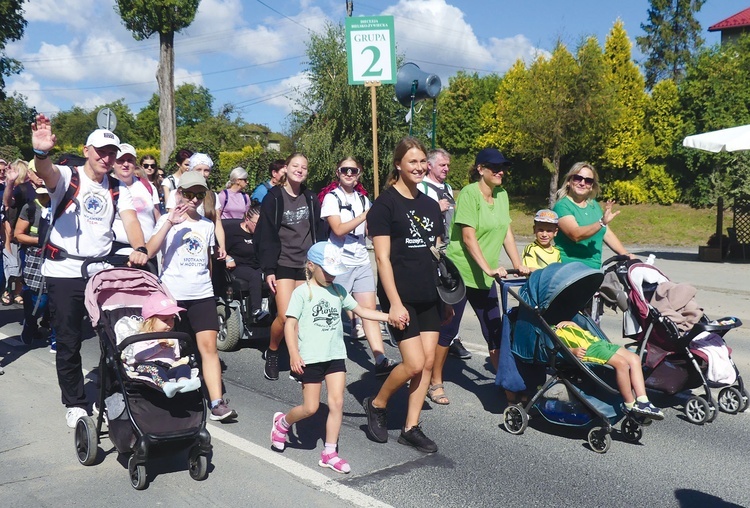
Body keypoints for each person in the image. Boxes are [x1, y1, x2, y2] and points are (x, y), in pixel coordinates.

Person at [30, 115, 149, 428]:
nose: (106, 157)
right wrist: (41, 153)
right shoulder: (69, 176)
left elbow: (131, 221)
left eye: (111, 152)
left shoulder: (116, 188)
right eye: (101, 151)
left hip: (100, 272)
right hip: (64, 271)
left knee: (114, 338)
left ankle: (113, 395)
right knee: (69, 340)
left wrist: (140, 248)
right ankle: (75, 402)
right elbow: (47, 172)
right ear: (87, 150)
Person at [270, 242, 400, 473]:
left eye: (335, 272)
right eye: (327, 271)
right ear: (311, 266)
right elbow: (290, 325)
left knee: (337, 402)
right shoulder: (302, 292)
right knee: (310, 408)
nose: (332, 276)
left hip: (335, 355)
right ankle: (282, 424)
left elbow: (360, 311)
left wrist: (387, 316)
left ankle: (330, 452)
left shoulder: (338, 291)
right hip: (310, 358)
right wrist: (293, 353)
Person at [362, 137, 448, 453]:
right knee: (412, 364)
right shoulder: (384, 205)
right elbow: (382, 258)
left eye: (422, 161)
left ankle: (411, 427)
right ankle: (378, 403)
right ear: (398, 164)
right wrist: (395, 302)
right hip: (401, 295)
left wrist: (445, 298)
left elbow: (435, 254)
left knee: (426, 364)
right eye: (412, 161)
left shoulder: (429, 204)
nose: (419, 167)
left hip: (429, 293)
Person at [429, 148, 530, 405]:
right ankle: (435, 381)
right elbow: (467, 236)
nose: (500, 172)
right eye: (494, 167)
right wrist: (487, 267)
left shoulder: (502, 194)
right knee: (448, 330)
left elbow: (506, 231)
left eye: (502, 167)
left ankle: (507, 384)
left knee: (495, 330)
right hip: (461, 274)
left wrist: (518, 264)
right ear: (480, 169)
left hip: (485, 275)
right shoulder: (469, 194)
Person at [145, 171, 237, 421]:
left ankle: (217, 402)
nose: (194, 200)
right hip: (172, 296)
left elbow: (206, 261)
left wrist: (210, 274)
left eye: (199, 194)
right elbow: (150, 251)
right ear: (178, 193)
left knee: (208, 349)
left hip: (202, 294)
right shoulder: (167, 219)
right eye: (188, 194)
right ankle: (163, 397)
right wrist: (169, 223)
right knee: (168, 349)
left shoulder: (207, 225)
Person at [319, 156, 398, 377]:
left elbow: (369, 230)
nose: (349, 174)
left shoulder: (364, 199)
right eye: (345, 170)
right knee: (332, 312)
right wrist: (364, 216)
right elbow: (338, 229)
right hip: (339, 261)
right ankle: (322, 359)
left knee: (369, 311)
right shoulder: (331, 198)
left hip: (361, 258)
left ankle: (379, 358)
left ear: (359, 173)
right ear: (338, 172)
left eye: (353, 171)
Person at [256, 153, 321, 381]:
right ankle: (273, 352)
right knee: (285, 317)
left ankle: (299, 361)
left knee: (303, 319)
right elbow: (264, 235)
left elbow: (318, 231)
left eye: (304, 167)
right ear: (286, 168)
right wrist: (269, 269)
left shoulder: (312, 198)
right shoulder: (274, 197)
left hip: (305, 265)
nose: (300, 170)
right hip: (281, 263)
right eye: (295, 165)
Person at [418, 148, 471, 361]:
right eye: (442, 165)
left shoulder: (447, 187)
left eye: (448, 165)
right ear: (429, 165)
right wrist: (434, 208)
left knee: (451, 290)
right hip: (430, 247)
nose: (447, 169)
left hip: (449, 246)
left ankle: (452, 338)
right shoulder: (421, 186)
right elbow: (417, 213)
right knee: (437, 294)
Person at [554, 320, 664, 420]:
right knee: (621, 364)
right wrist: (572, 350)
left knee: (634, 359)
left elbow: (582, 333)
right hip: (588, 349)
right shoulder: (553, 330)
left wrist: (573, 324)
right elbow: (554, 347)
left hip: (598, 342)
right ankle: (629, 405)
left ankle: (643, 401)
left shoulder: (567, 321)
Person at [115, 293, 201, 398]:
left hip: (168, 368)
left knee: (184, 367)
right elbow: (138, 356)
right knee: (154, 369)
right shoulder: (144, 336)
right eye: (165, 320)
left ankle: (184, 382)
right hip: (146, 367)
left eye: (172, 318)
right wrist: (158, 347)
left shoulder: (172, 336)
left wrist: (177, 362)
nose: (170, 323)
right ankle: (166, 386)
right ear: (150, 321)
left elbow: (175, 356)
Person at [553, 162, 635, 269]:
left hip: (594, 269)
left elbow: (606, 233)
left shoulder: (593, 205)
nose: (582, 183)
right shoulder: (562, 206)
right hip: (569, 267)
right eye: (578, 178)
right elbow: (575, 234)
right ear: (569, 181)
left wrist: (627, 255)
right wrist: (602, 222)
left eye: (588, 181)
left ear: (591, 186)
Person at [14, 185, 55, 351]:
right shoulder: (30, 207)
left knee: (56, 298)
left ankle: (55, 336)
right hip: (35, 256)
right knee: (38, 297)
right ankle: (30, 324)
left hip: (58, 259)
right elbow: (18, 234)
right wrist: (42, 241)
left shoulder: (63, 205)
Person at [111, 144, 161, 257]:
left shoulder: (147, 186)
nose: (125, 164)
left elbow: (157, 218)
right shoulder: (108, 186)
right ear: (113, 163)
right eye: (121, 160)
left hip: (148, 250)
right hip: (119, 251)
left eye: (130, 160)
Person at [224, 204, 268, 321]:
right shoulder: (232, 232)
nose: (259, 227)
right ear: (247, 219)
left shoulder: (262, 235)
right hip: (238, 266)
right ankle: (256, 311)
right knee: (255, 276)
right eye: (256, 224)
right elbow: (219, 248)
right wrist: (227, 257)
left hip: (257, 265)